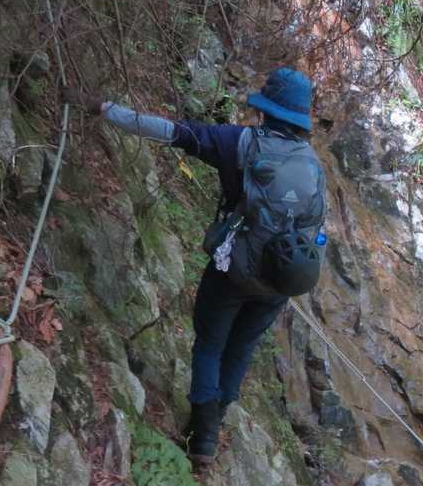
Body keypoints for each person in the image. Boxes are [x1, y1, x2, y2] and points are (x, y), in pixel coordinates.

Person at [63, 67, 326, 463]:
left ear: (267, 109)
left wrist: (102, 107)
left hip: (232, 270)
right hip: (281, 280)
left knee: (210, 343)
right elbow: (315, 228)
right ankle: (214, 421)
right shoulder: (313, 166)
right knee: (241, 348)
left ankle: (202, 437)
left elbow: (172, 132)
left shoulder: (239, 142)